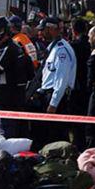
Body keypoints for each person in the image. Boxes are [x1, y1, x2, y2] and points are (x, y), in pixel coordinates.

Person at [0, 16, 32, 138]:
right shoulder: (13, 46)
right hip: (14, 98)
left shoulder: (8, 49)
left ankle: (7, 155)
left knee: (6, 136)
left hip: (8, 100)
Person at [32, 17, 76, 148]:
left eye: (42, 30)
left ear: (51, 30)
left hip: (56, 98)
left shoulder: (61, 50)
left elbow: (61, 81)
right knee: (47, 136)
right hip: (48, 95)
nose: (40, 33)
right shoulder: (53, 48)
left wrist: (53, 104)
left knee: (56, 137)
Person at [68, 19, 91, 150]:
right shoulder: (90, 45)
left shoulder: (73, 46)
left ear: (73, 30)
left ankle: (78, 145)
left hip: (76, 85)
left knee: (76, 120)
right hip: (88, 85)